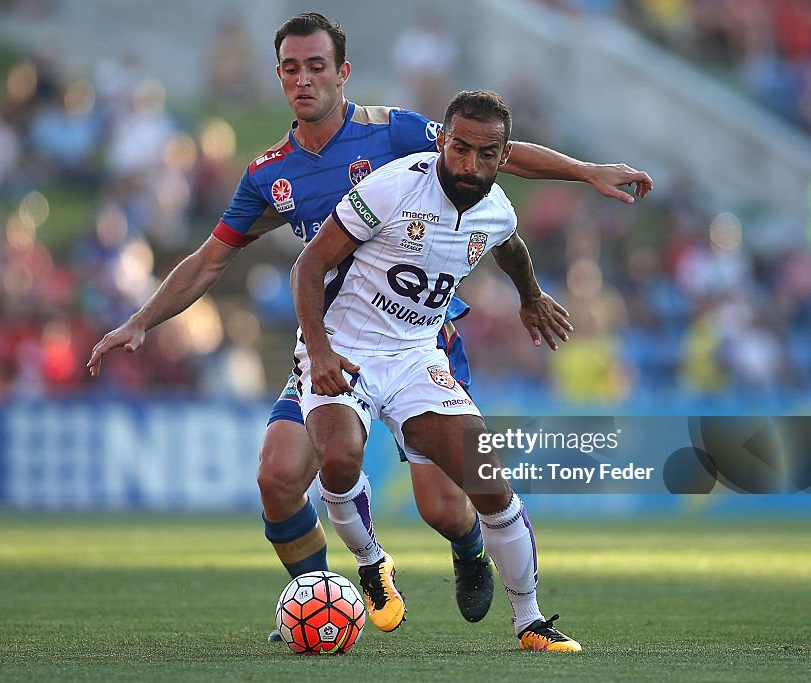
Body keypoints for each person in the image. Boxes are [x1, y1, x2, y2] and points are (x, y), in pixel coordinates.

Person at [86, 12, 651, 637]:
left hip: (421, 337)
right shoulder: (268, 174)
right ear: (278, 77)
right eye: (291, 68)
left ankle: (468, 549)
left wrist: (585, 172)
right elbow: (211, 259)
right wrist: (142, 321)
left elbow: (497, 156)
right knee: (279, 476)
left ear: (342, 72)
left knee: (443, 505)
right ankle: (319, 599)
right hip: (329, 340)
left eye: (316, 66)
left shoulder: (395, 133)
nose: (304, 79)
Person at [290, 89, 581, 651]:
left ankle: (531, 621)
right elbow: (310, 264)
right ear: (442, 140)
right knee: (339, 455)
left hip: (417, 356)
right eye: (460, 148)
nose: (470, 165)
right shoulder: (393, 187)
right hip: (344, 348)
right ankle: (372, 562)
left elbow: (509, 246)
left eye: (487, 154)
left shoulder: (496, 209)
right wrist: (321, 351)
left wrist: (531, 295)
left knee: (487, 484)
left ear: (503, 155)